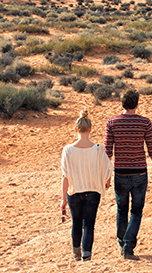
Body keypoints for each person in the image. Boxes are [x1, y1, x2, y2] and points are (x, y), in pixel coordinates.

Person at [105, 89, 152, 260]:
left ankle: (123, 243)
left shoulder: (112, 123)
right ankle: (128, 247)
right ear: (137, 104)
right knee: (136, 211)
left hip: (120, 173)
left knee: (122, 210)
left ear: (122, 103)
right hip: (139, 173)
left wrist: (106, 176)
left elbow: (107, 153)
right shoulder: (145, 123)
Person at [60, 110, 112, 261]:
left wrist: (63, 199)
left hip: (74, 192)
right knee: (89, 225)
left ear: (76, 129)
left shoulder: (68, 150)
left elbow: (65, 176)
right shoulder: (97, 149)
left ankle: (76, 253)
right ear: (90, 129)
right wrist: (106, 182)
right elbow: (108, 167)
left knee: (76, 223)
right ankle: (86, 255)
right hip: (93, 192)